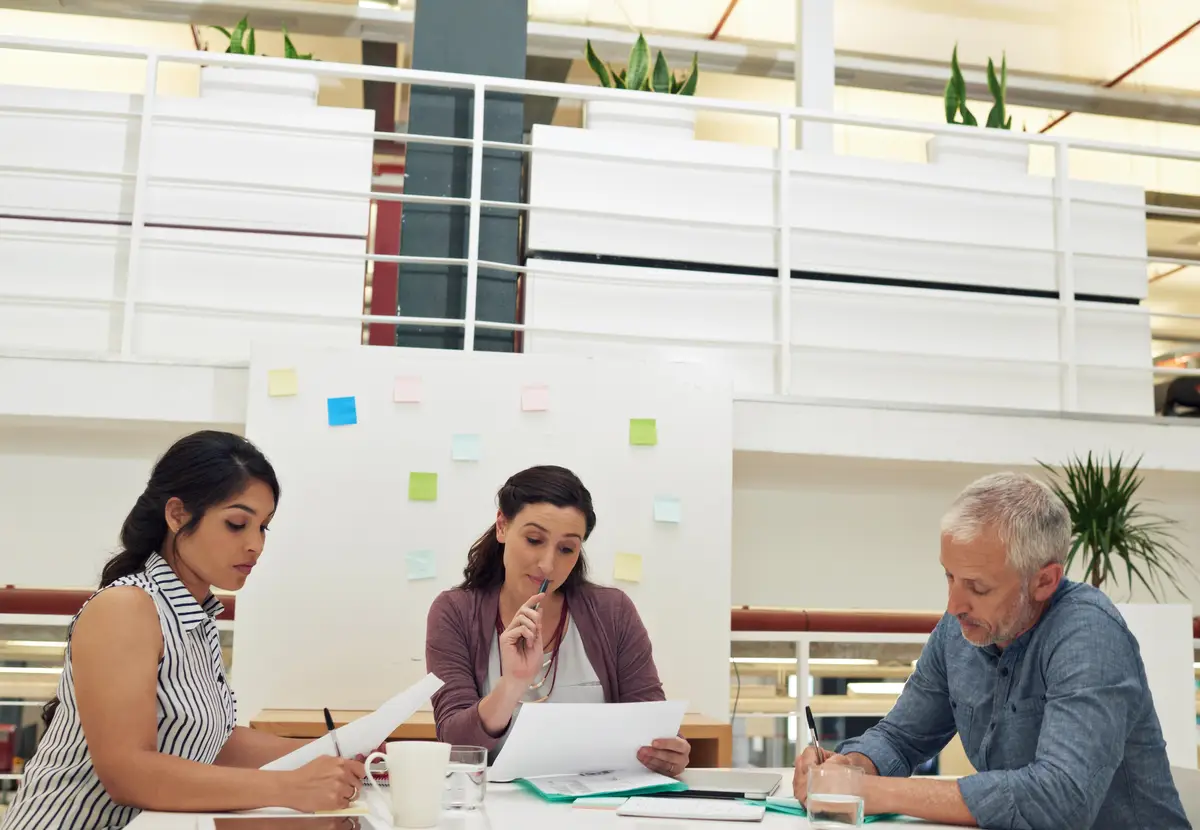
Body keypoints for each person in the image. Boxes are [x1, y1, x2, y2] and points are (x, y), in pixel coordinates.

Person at [1, 431, 366, 830]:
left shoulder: (197, 617)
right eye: (237, 524)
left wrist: (333, 753)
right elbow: (128, 773)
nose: (255, 545)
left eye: (263, 527)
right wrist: (288, 787)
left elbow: (212, 742)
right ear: (176, 515)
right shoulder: (125, 608)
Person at [792, 472, 1189, 830]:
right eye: (949, 576)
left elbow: (1061, 800)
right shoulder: (960, 629)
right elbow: (900, 737)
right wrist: (850, 767)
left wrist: (871, 792)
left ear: (1044, 581)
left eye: (978, 587)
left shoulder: (1090, 635)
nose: (953, 606)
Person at [425, 465, 690, 777]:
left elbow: (649, 720)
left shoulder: (613, 611)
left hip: (597, 799)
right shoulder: (454, 612)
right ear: (502, 526)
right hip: (495, 801)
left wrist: (667, 752)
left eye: (566, 548)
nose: (548, 565)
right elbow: (455, 742)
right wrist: (512, 684)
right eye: (534, 539)